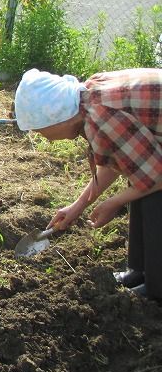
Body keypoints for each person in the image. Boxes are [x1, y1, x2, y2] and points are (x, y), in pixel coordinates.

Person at [13, 68, 162, 299]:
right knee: (139, 184)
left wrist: (113, 202)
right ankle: (140, 271)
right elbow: (121, 159)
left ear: (57, 117)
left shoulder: (104, 117)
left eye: (40, 130)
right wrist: (78, 205)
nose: (44, 137)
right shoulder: (87, 100)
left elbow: (157, 175)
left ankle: (157, 287)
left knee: (153, 196)